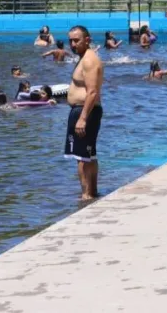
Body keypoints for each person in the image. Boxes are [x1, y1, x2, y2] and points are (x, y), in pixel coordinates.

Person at [65, 25, 104, 201]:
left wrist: (82, 118)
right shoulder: (84, 58)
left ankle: (86, 196)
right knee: (89, 156)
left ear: (87, 40)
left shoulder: (89, 60)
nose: (72, 44)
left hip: (85, 112)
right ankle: (93, 193)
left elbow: (93, 92)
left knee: (81, 158)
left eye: (76, 40)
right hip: (84, 111)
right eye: (70, 41)